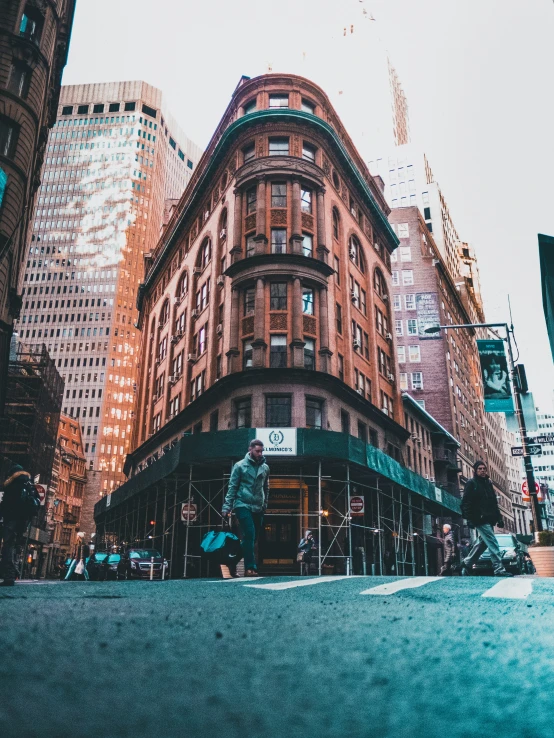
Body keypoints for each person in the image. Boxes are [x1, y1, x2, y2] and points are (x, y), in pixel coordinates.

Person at [222, 439, 269, 577]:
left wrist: (264, 504)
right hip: (242, 504)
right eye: (257, 451)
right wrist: (227, 506)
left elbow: (266, 487)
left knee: (252, 539)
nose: (260, 453)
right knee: (249, 534)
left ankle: (232, 561)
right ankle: (250, 568)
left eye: (261, 451)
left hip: (258, 507)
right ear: (250, 450)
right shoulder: (239, 466)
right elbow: (232, 487)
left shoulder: (265, 468)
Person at [460, 460, 512, 577]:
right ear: (475, 470)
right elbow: (465, 503)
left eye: (484, 469)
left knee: (483, 544)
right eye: (480, 469)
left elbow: (494, 503)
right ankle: (499, 569)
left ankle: (467, 563)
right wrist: (470, 519)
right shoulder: (471, 483)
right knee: (493, 543)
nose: (482, 471)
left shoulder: (488, 484)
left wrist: (499, 518)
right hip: (479, 519)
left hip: (489, 519)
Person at [0, 463, 34, 587]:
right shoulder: (27, 483)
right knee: (14, 546)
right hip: (22, 521)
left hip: (11, 520)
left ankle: (9, 576)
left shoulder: (13, 485)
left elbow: (6, 504)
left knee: (7, 547)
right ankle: (13, 572)